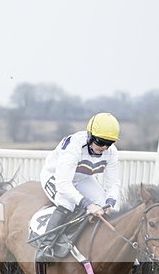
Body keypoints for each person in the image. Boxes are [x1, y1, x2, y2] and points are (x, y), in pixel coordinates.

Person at [35, 112, 122, 263]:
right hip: (56, 177)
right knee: (67, 203)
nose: (104, 148)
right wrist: (87, 204)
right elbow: (63, 185)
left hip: (82, 177)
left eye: (109, 143)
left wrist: (110, 203)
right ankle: (45, 246)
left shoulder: (111, 152)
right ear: (90, 136)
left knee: (105, 205)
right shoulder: (74, 146)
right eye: (101, 142)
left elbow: (113, 184)